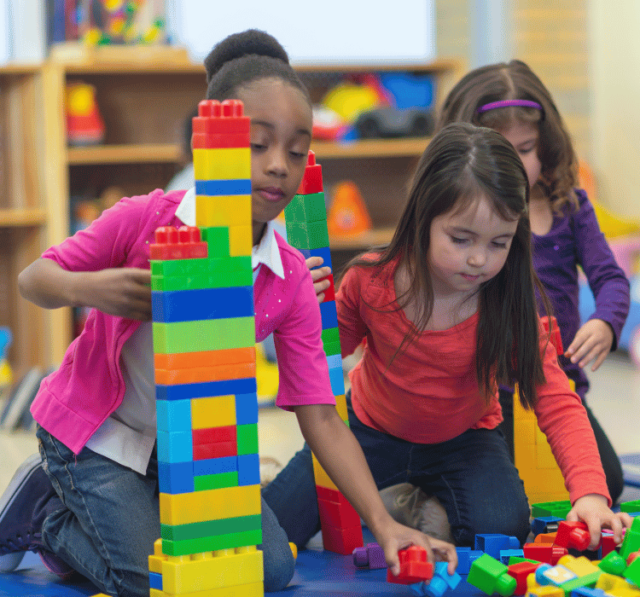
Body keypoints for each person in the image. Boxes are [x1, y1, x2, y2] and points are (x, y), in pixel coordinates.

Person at [2, 29, 453, 597]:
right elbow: (33, 279)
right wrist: (94, 288)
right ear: (211, 146)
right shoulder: (147, 219)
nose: (278, 167)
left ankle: (124, 515)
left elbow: (322, 416)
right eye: (257, 145)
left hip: (189, 452)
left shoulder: (288, 277)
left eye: (295, 150)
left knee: (267, 570)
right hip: (95, 440)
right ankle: (47, 518)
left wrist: (384, 524)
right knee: (161, 582)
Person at [266, 123, 631, 551]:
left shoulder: (508, 303)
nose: (479, 259)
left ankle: (412, 500)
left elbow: (555, 397)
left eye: (500, 242)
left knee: (504, 528)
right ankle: (378, 493)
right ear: (424, 217)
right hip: (370, 432)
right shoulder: (371, 280)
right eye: (460, 239)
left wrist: (590, 492)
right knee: (274, 524)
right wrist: (303, 312)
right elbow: (324, 355)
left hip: (465, 440)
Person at [436, 60, 629, 504]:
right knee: (502, 497)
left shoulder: (568, 206)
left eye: (524, 149)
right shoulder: (459, 219)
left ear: (547, 144)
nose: (513, 165)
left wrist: (605, 322)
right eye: (498, 150)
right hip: (485, 397)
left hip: (559, 387)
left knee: (608, 484)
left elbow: (610, 278)